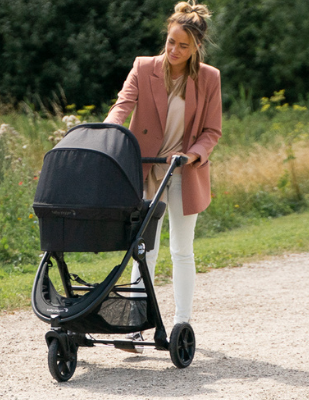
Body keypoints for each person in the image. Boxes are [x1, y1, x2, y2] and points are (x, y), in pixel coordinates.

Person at [104, 1, 221, 350]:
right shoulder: (144, 68)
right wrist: (108, 132)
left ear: (196, 47)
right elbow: (123, 105)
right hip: (147, 170)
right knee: (144, 249)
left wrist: (192, 154)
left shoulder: (209, 78)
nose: (174, 50)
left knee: (181, 251)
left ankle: (181, 323)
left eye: (183, 46)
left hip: (184, 171)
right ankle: (136, 326)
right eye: (171, 42)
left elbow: (212, 131)